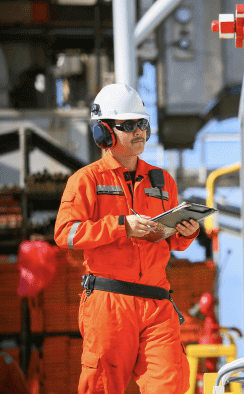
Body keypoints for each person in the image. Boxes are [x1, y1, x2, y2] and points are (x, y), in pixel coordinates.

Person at [54, 83, 199, 394]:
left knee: (170, 385)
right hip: (109, 303)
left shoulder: (163, 181)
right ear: (104, 133)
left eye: (143, 124)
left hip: (157, 303)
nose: (139, 132)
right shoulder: (87, 180)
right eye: (129, 125)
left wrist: (186, 232)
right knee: (102, 387)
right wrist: (121, 226)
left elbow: (171, 242)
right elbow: (66, 233)